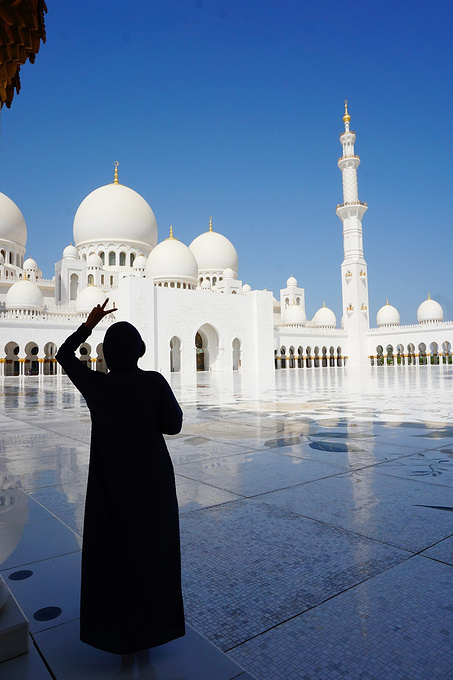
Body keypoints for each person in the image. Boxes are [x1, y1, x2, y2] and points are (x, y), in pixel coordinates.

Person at [56, 300, 185, 654]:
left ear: (108, 355)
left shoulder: (98, 387)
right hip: (153, 484)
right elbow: (173, 424)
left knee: (115, 557)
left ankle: (116, 634)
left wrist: (89, 325)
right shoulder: (153, 383)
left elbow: (64, 355)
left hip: (112, 486)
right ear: (139, 352)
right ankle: (153, 630)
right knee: (152, 555)